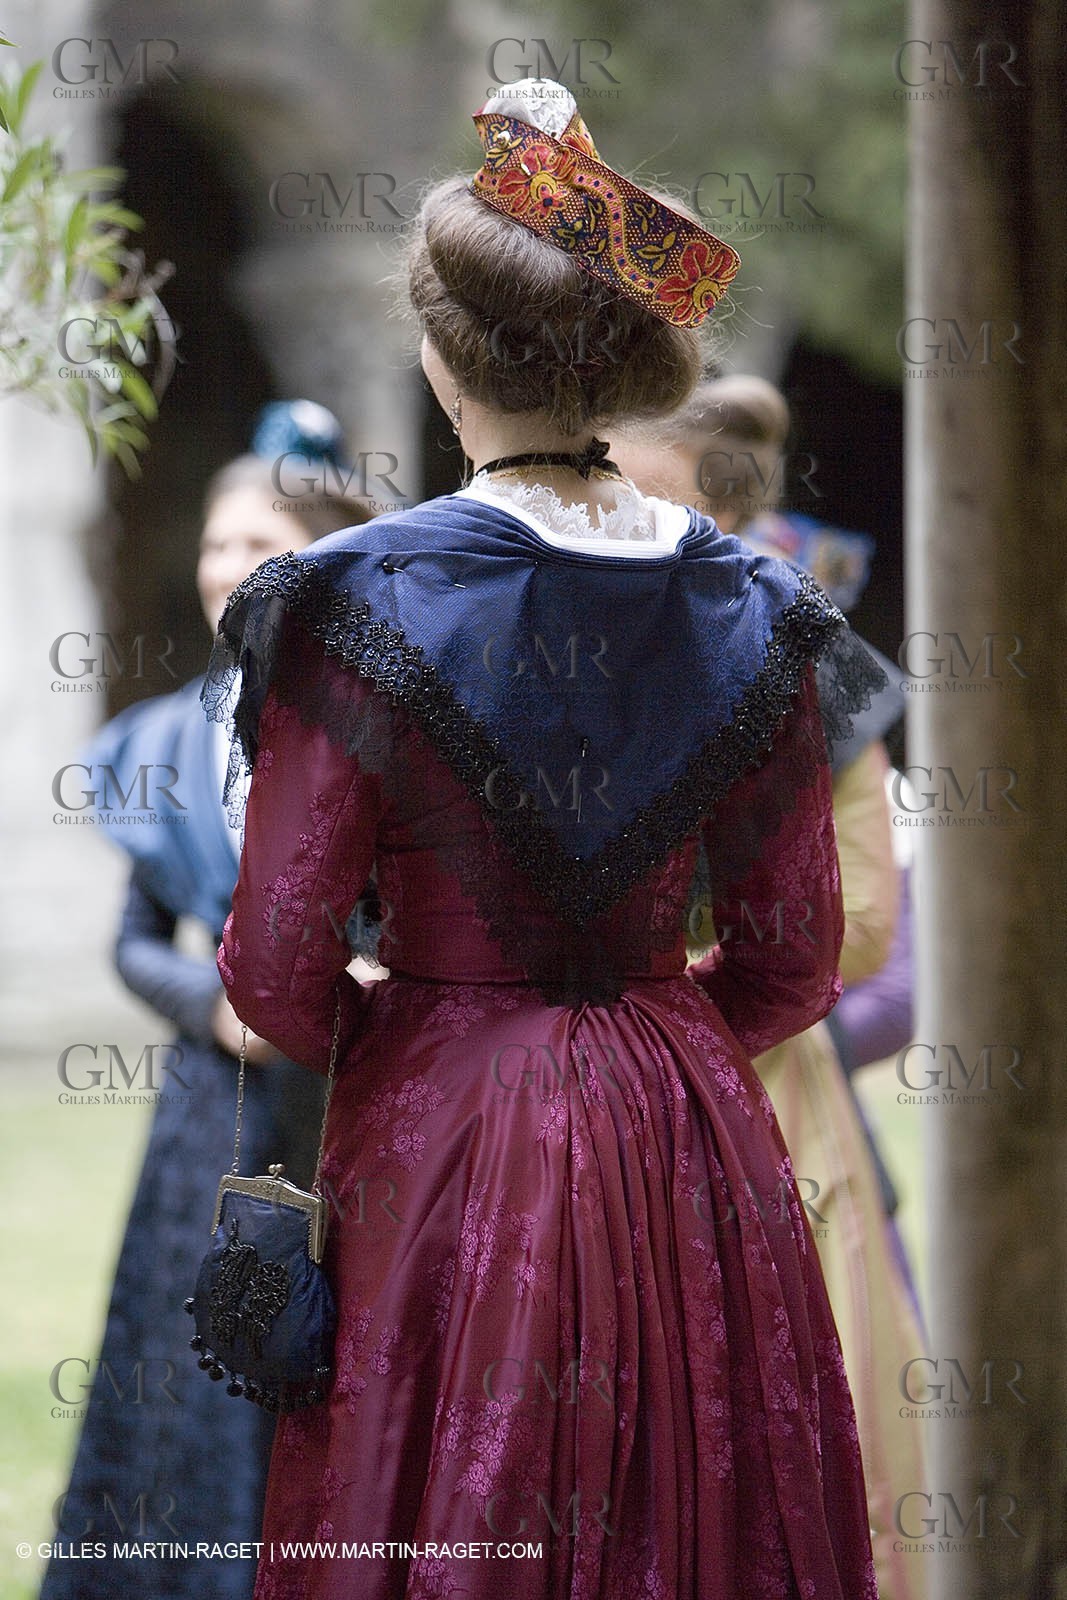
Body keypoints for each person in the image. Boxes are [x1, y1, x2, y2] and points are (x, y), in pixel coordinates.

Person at [207, 83, 880, 1599]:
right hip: (688, 1129)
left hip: (441, 1125)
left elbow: (274, 965)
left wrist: (422, 1030)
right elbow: (789, 962)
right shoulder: (762, 609)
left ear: (441, 359)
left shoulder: (349, 599)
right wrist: (642, 1043)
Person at [42, 403, 372, 1600]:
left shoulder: (382, 736)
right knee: (194, 1380)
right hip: (209, 1118)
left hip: (354, 1107)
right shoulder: (159, 743)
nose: (229, 567)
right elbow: (134, 945)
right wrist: (216, 1007)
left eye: (260, 545)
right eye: (215, 543)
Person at [617, 374, 928, 1600]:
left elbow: (859, 924)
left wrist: (661, 985)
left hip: (760, 1092)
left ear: (734, 522)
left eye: (667, 513)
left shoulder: (802, 650)